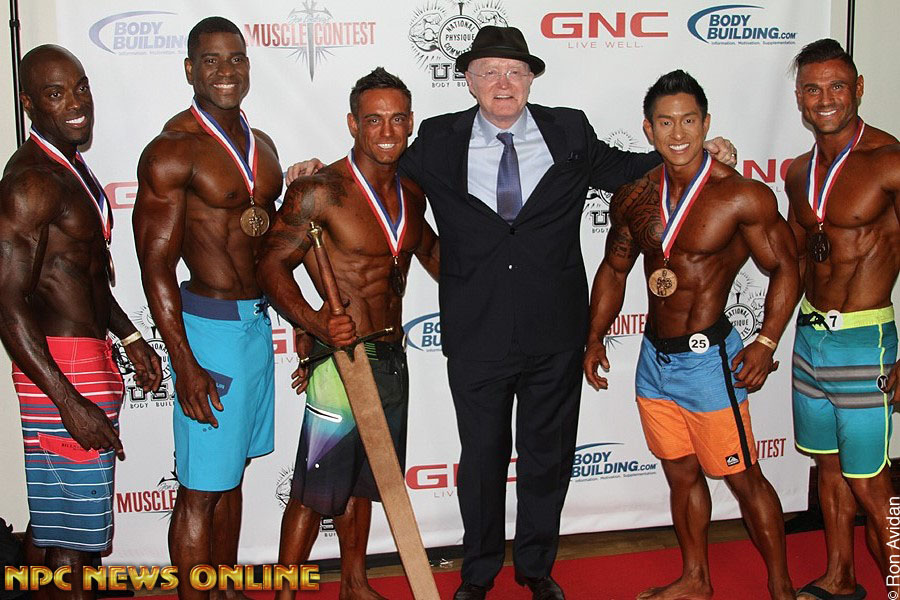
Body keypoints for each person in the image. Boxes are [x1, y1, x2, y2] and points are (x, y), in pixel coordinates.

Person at [399, 28, 736, 600]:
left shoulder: (569, 130)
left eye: (514, 71)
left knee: (547, 458)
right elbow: (379, 175)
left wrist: (696, 155)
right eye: (488, 71)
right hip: (476, 331)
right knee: (480, 461)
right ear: (469, 81)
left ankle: (536, 568)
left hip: (555, 331)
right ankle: (477, 573)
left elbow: (630, 170)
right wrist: (320, 171)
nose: (502, 83)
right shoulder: (437, 138)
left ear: (531, 78)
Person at [583, 70, 799, 600]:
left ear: (705, 124)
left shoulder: (741, 196)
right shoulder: (634, 196)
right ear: (648, 129)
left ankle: (781, 589)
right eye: (665, 123)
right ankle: (696, 579)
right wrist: (594, 337)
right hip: (654, 360)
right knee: (679, 474)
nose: (677, 133)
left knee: (743, 477)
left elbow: (787, 267)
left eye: (688, 121)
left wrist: (766, 341)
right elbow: (614, 269)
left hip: (709, 363)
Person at [257, 67, 439, 600]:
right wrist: (312, 323)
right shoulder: (320, 192)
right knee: (315, 488)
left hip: (391, 354)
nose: (387, 130)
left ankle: (355, 584)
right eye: (373, 120)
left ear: (411, 122)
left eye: (397, 118)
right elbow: (270, 265)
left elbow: (435, 255)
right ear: (353, 124)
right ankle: (285, 595)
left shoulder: (412, 193)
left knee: (367, 479)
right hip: (341, 359)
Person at [0, 45, 161, 600]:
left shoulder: (67, 169)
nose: (75, 103)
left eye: (81, 87)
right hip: (60, 370)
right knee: (75, 543)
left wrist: (130, 335)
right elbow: (7, 303)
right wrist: (68, 401)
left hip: (83, 359)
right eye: (55, 93)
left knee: (57, 524)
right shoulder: (31, 182)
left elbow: (79, 275)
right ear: (28, 104)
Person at [133, 17, 283, 600]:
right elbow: (155, 267)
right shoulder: (172, 151)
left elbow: (270, 244)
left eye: (236, 58)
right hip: (209, 331)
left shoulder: (262, 146)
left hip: (255, 325)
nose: (226, 71)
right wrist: (184, 362)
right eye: (211, 60)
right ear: (190, 69)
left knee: (232, 473)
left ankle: (224, 589)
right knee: (199, 489)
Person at [785, 39, 900, 600]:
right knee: (827, 467)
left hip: (864, 341)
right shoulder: (797, 172)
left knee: (872, 483)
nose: (825, 99)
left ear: (858, 89)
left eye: (836, 86)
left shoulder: (890, 162)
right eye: (812, 89)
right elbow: (792, 256)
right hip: (810, 339)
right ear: (799, 98)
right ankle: (840, 577)